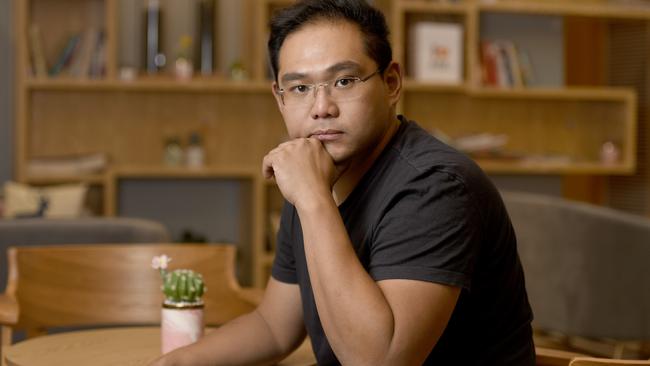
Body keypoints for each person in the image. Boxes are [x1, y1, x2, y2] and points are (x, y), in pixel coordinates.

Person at [151, 0, 535, 364]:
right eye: (300, 88)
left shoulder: (435, 185)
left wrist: (313, 198)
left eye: (345, 81)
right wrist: (178, 361)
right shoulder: (315, 172)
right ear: (280, 98)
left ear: (391, 83)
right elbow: (274, 327)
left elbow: (379, 361)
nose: (322, 108)